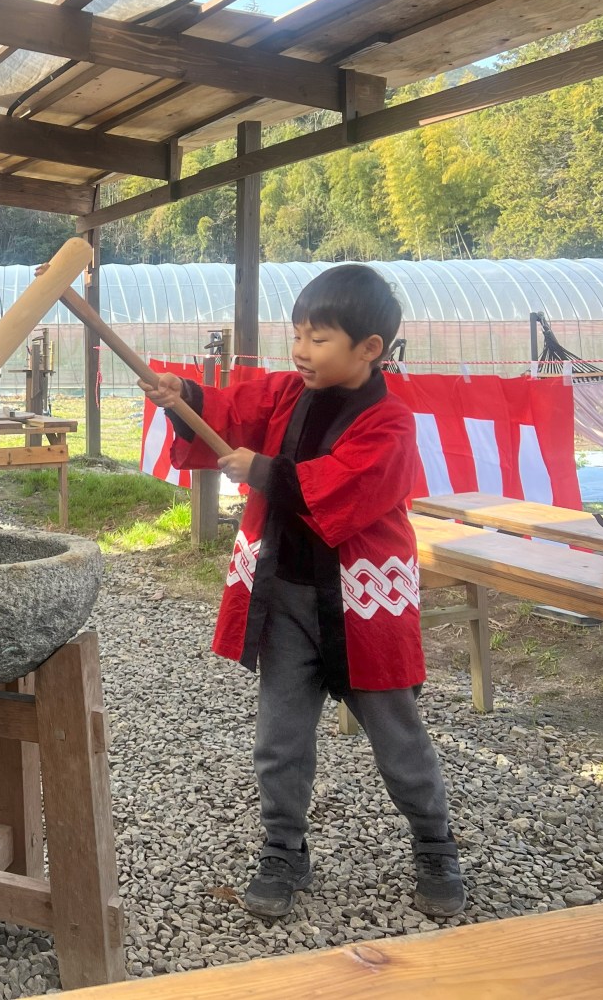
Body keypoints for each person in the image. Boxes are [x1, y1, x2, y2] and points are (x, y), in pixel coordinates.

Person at [141, 264, 465, 920]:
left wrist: (262, 470)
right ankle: (282, 848)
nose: (300, 350)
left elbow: (346, 484)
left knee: (398, 740)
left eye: (318, 338)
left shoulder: (390, 423)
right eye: (296, 334)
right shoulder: (286, 393)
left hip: (362, 606)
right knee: (280, 737)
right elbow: (235, 409)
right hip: (285, 599)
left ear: (369, 348)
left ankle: (435, 843)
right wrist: (184, 396)